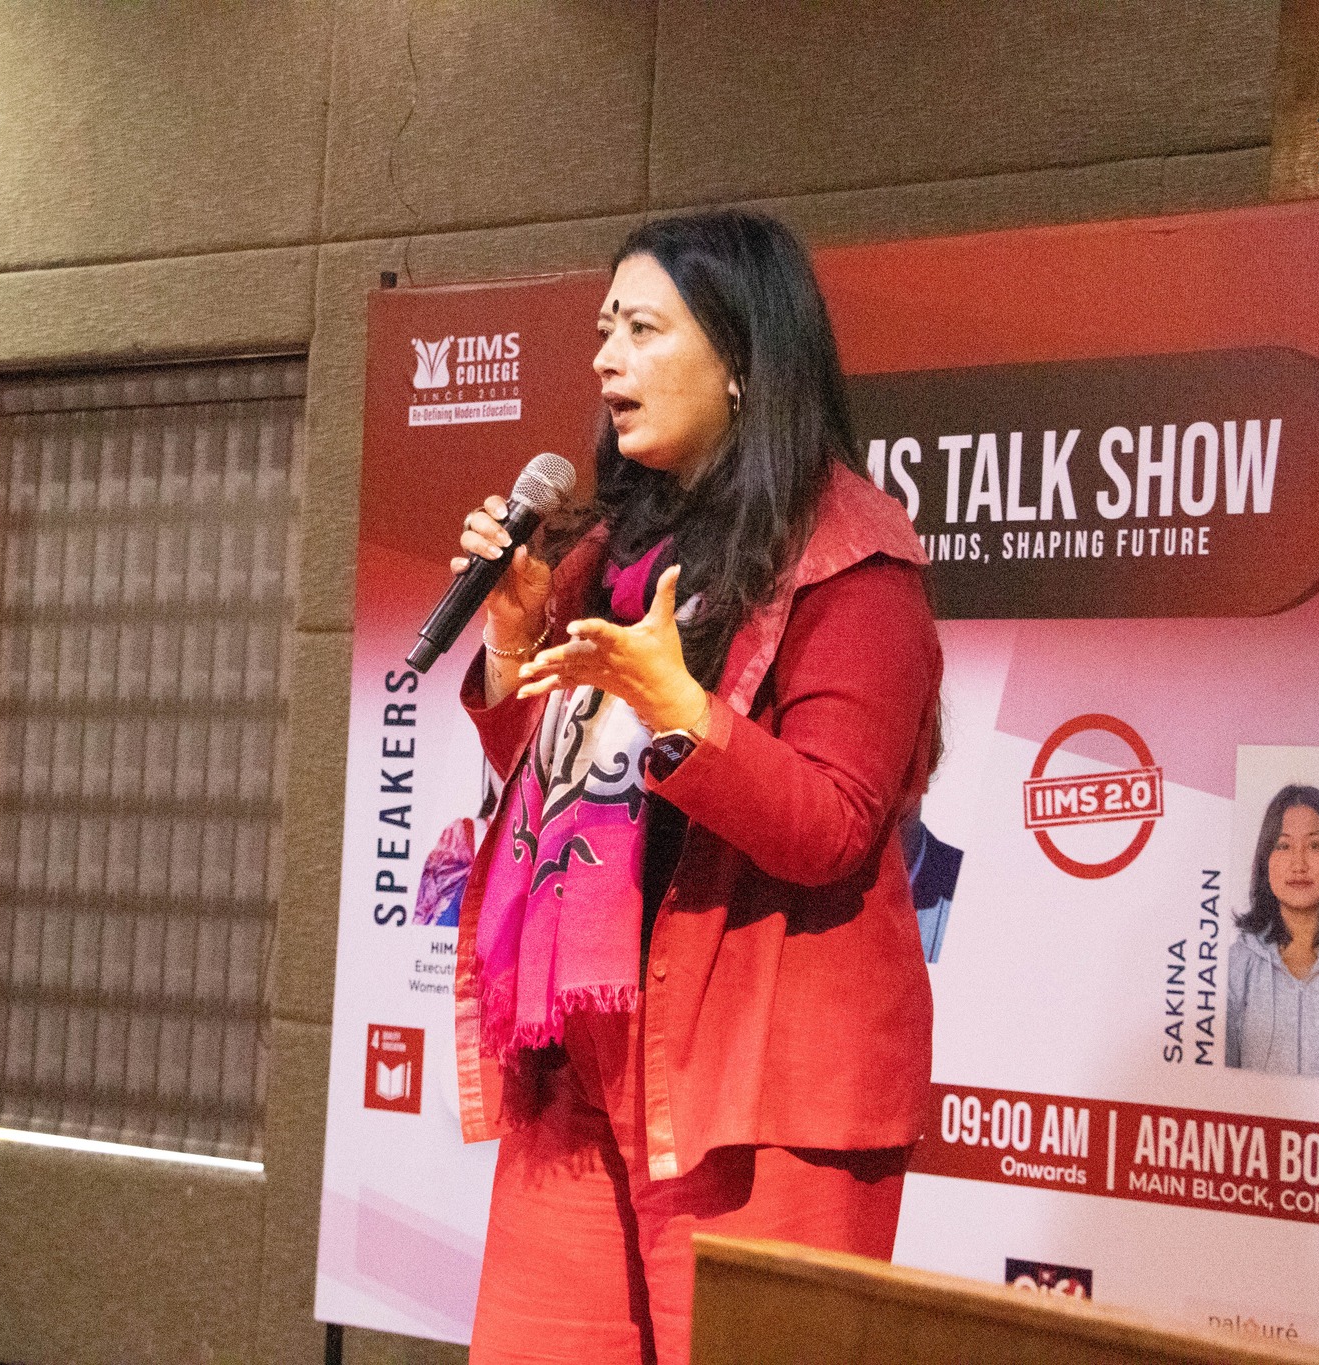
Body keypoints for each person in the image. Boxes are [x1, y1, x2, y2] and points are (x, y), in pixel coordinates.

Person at [446, 210, 941, 1363]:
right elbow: (548, 790)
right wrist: (513, 641)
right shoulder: (601, 549)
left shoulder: (852, 562)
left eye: (640, 329)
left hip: (758, 1089)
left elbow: (831, 825)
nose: (603, 359)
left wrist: (681, 711)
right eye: (602, 329)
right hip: (581, 1057)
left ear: (740, 361)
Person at [1225, 785, 1319, 1080]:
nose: (1299, 864)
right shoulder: (1235, 965)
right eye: (1283, 846)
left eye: (1314, 846)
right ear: (1266, 862)